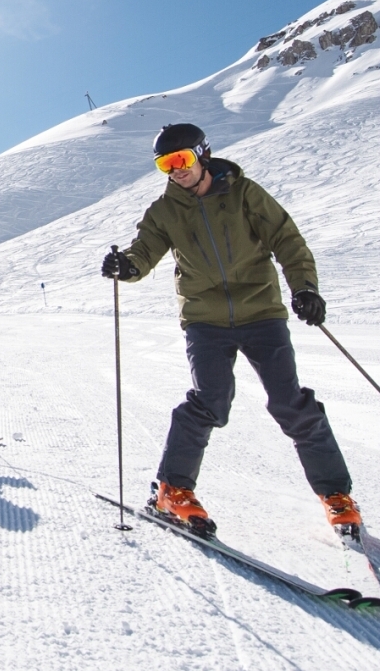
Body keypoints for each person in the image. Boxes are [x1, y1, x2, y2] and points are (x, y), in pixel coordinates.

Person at [100, 123, 361, 538]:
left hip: (261, 313)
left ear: (202, 154)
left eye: (181, 160)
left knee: (290, 403)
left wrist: (305, 288)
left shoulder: (244, 194)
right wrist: (127, 266)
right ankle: (172, 490)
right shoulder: (164, 212)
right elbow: (144, 252)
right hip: (205, 320)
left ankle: (336, 496)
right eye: (164, 165)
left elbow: (287, 241)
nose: (175, 171)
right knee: (210, 402)